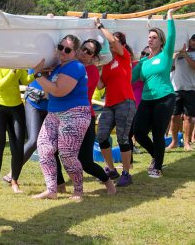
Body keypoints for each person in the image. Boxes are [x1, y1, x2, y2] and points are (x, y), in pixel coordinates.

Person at [31, 35, 91, 200]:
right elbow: (51, 91)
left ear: (76, 52)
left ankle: (78, 190)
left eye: (67, 49)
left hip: (75, 113)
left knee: (67, 154)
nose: (62, 51)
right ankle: (51, 190)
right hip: (54, 113)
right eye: (60, 47)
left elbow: (58, 90)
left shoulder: (76, 67)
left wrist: (37, 75)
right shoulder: (58, 67)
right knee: (43, 148)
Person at [132, 8, 177, 178]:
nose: (150, 40)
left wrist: (170, 17)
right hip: (147, 99)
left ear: (161, 41)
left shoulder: (165, 55)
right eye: (149, 37)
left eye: (154, 37)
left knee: (158, 132)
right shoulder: (143, 62)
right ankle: (156, 156)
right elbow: (129, 78)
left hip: (165, 98)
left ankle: (157, 167)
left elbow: (172, 36)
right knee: (138, 132)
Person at [93, 20, 137, 187]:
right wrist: (93, 65)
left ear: (122, 45)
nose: (112, 44)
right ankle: (111, 169)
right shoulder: (107, 64)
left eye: (116, 41)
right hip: (110, 104)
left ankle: (126, 173)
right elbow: (100, 85)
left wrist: (100, 27)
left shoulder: (124, 56)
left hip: (125, 102)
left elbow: (112, 41)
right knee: (102, 136)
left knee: (123, 138)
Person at [71, 38, 116, 194]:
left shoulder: (91, 71)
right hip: (66, 116)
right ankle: (59, 185)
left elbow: (75, 90)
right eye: (83, 49)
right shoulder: (71, 65)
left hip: (84, 117)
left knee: (86, 162)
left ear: (93, 57)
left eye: (89, 52)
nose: (84, 53)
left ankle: (107, 181)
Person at [0, 67, 33, 196]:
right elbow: (0, 85)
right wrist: (13, 70)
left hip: (16, 107)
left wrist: (38, 73)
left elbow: (26, 80)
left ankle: (15, 182)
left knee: (18, 147)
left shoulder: (17, 60)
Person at [167, 33, 195, 151]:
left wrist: (186, 56)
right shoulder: (178, 54)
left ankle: (187, 143)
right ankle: (174, 142)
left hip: (191, 90)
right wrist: (172, 57)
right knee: (174, 117)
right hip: (177, 89)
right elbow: (170, 68)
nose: (194, 42)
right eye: (193, 40)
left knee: (189, 118)